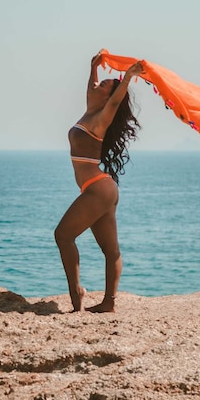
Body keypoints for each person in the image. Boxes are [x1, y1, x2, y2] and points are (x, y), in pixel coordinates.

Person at [54, 52, 143, 313]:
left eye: (104, 84)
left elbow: (115, 102)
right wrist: (93, 67)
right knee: (110, 249)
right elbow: (92, 88)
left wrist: (126, 78)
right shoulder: (89, 111)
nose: (98, 85)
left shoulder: (101, 118)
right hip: (101, 189)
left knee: (63, 235)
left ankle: (76, 293)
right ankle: (108, 303)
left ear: (108, 96)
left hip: (98, 188)